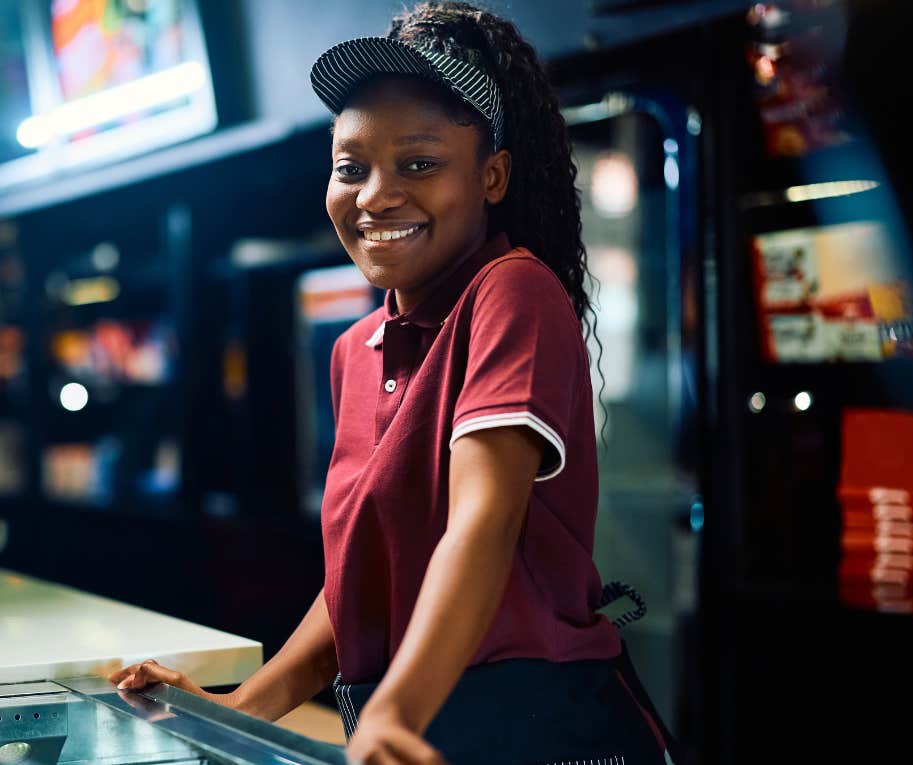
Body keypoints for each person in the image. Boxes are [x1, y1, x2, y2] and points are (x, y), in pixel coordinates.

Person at [111, 3, 672, 763]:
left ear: (492, 176)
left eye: (419, 163)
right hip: (402, 721)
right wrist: (246, 703)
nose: (375, 195)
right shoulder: (354, 348)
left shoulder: (513, 290)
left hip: (535, 728)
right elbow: (362, 580)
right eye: (351, 167)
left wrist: (398, 708)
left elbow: (484, 520)